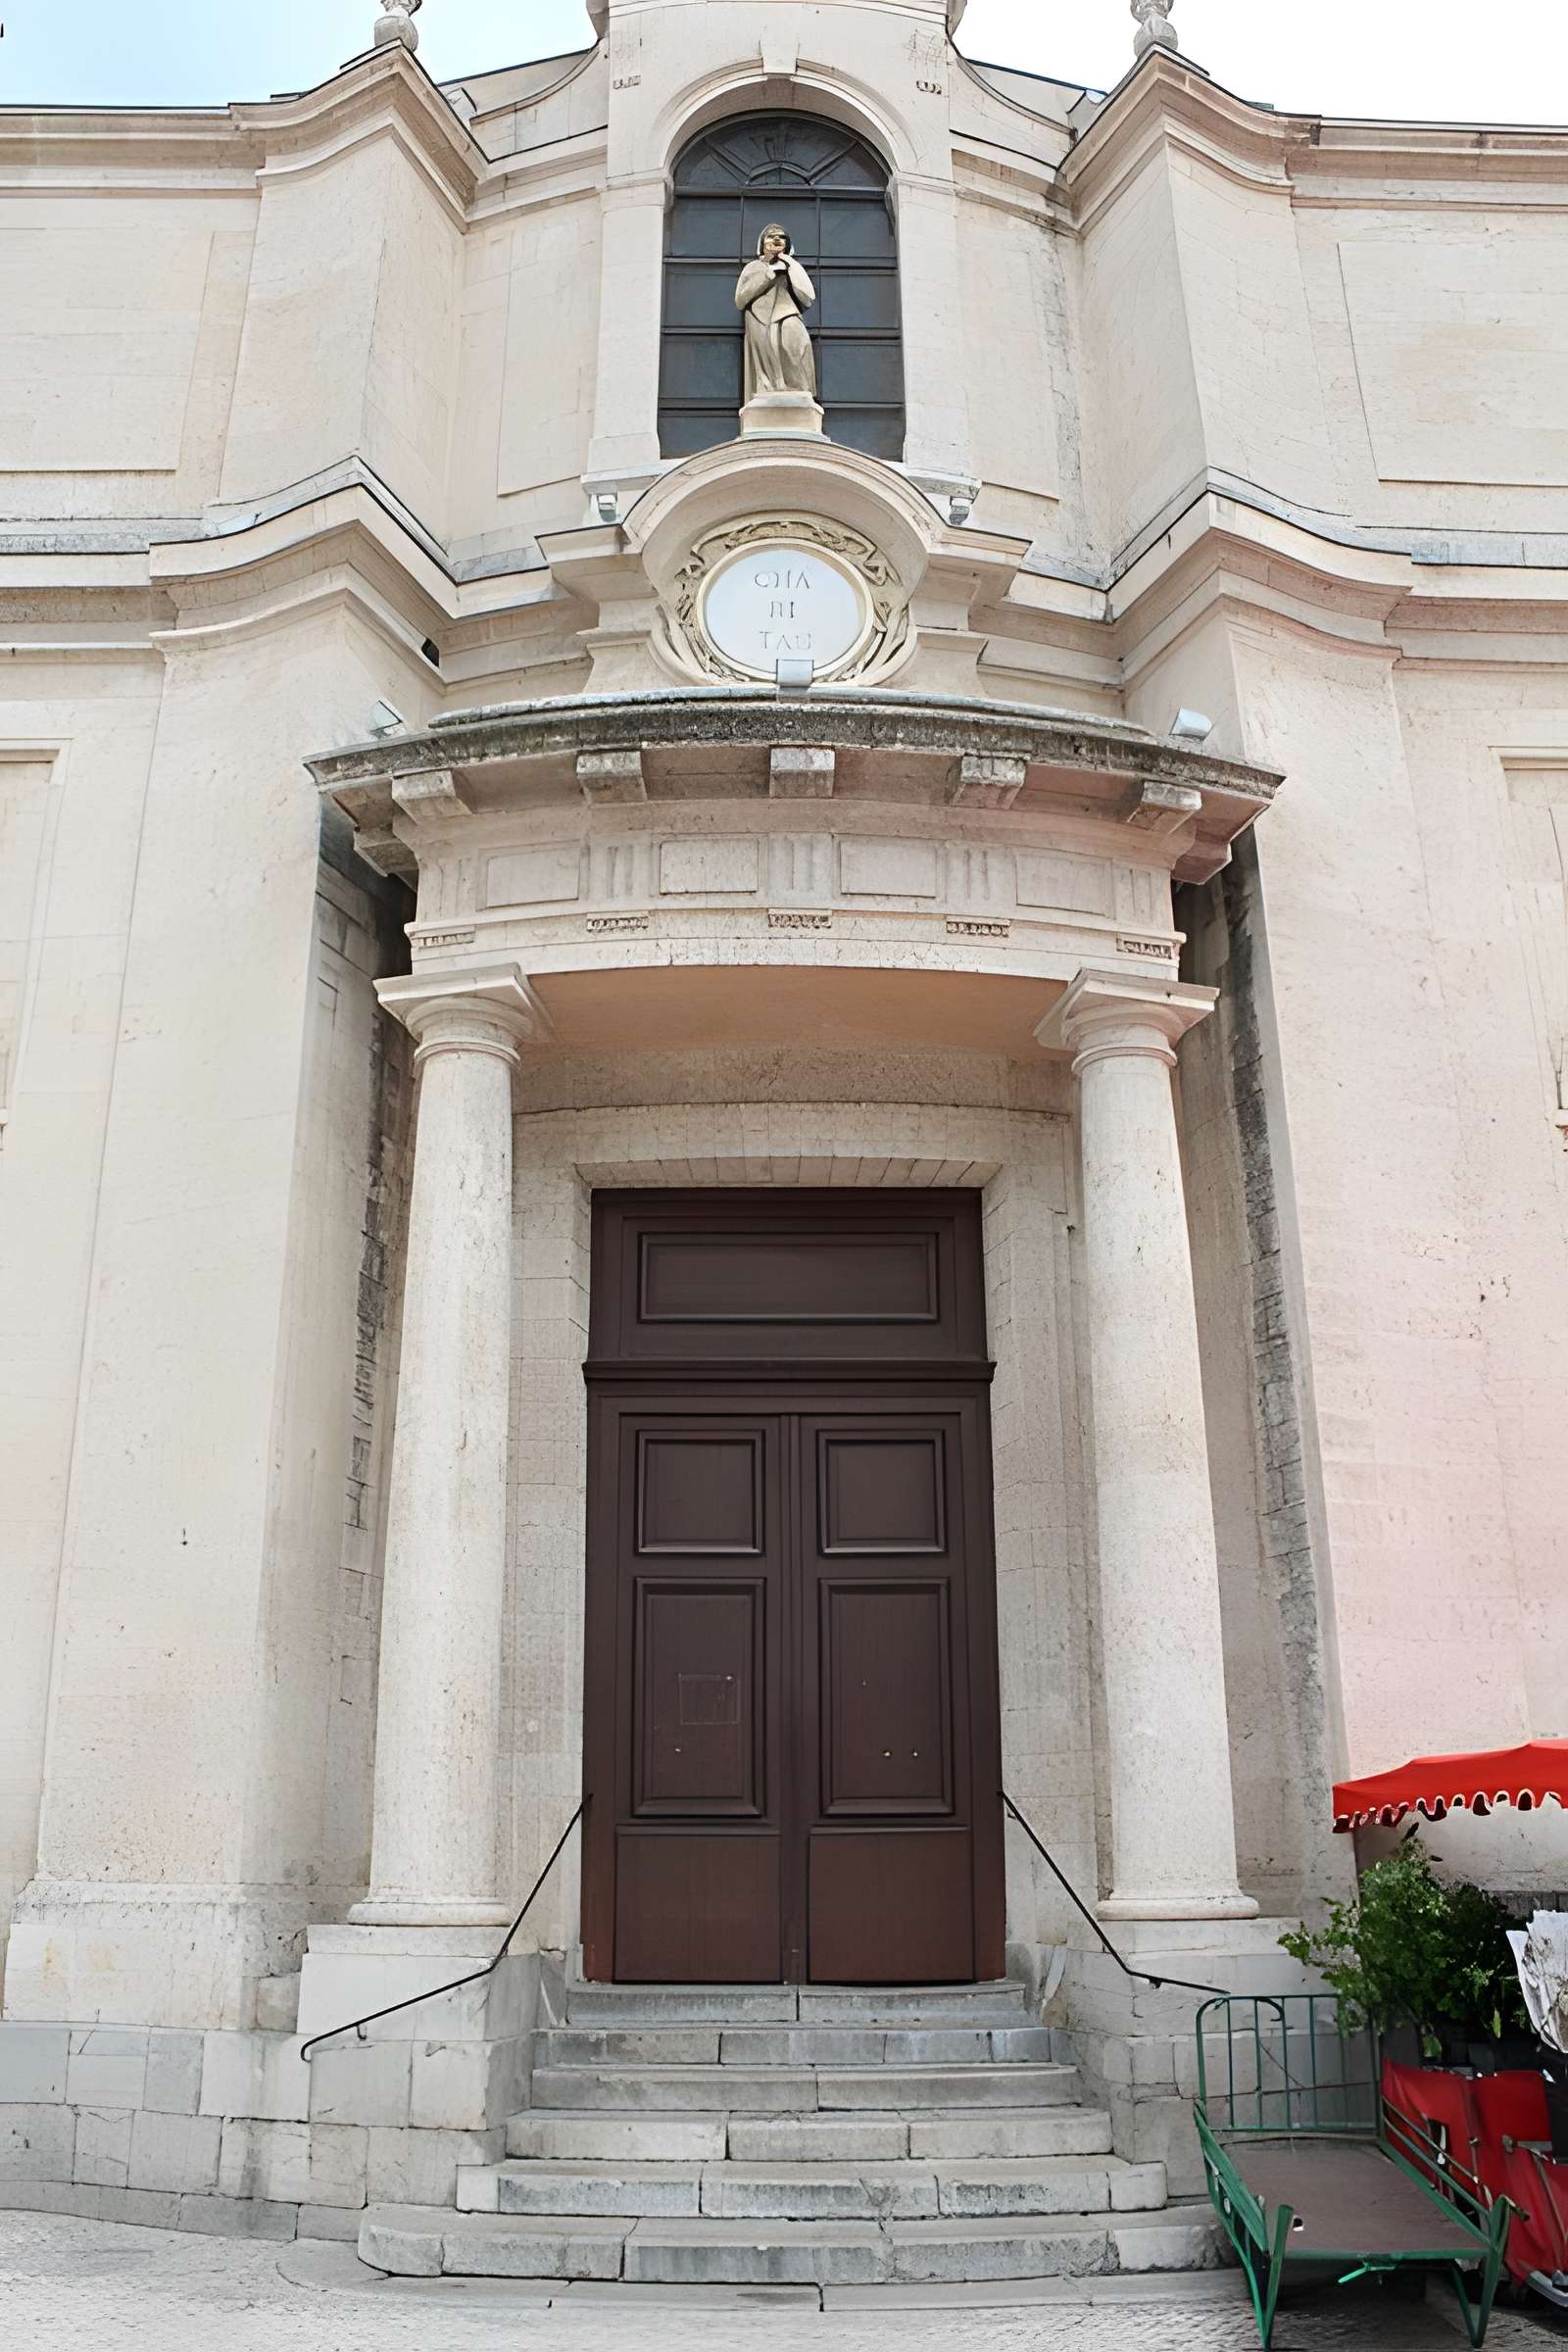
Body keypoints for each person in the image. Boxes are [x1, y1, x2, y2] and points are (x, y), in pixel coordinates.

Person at [734, 224, 818, 403]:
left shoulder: (791, 265)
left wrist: (789, 265)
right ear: (762, 243)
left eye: (781, 236)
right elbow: (741, 299)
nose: (777, 239)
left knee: (796, 342)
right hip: (760, 318)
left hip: (787, 312)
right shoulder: (753, 267)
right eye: (771, 236)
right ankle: (770, 393)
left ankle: (799, 391)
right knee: (767, 364)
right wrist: (768, 275)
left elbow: (808, 297)